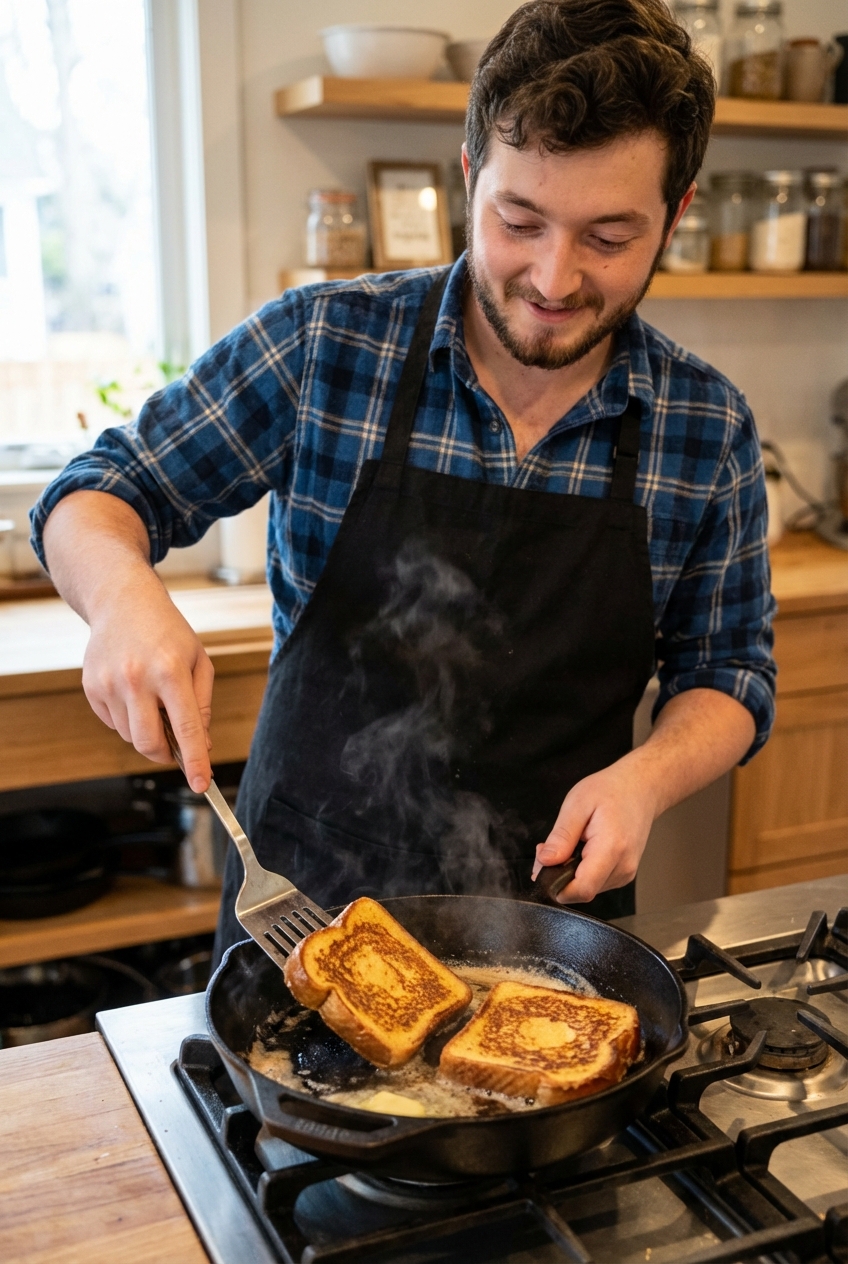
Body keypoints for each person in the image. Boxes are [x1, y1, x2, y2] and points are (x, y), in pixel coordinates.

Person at [32, 0, 775, 964]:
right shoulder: (327, 347)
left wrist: (647, 778)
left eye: (608, 238)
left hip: (549, 929)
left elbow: (731, 674)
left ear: (675, 216)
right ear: (469, 179)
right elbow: (98, 491)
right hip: (307, 908)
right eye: (520, 221)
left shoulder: (704, 427)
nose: (554, 279)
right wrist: (125, 600)